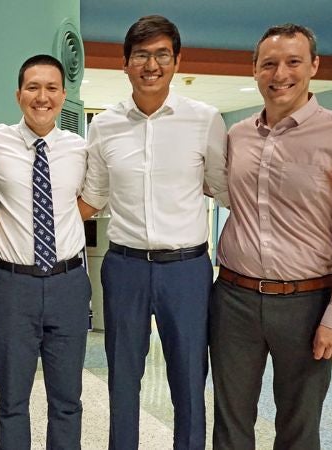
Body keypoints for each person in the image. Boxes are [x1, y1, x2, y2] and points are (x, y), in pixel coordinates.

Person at [210, 24, 332, 450]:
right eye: (268, 63)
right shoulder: (238, 135)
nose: (280, 73)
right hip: (234, 298)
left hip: (307, 303)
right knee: (230, 424)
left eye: (293, 62)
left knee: (299, 428)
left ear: (314, 67)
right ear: (254, 70)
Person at [79, 15, 228, 450]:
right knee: (122, 382)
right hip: (124, 266)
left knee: (189, 381)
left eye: (162, 54)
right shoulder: (104, 125)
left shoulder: (204, 119)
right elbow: (93, 197)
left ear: (177, 61)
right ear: (124, 63)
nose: (151, 64)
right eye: (141, 55)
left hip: (187, 270)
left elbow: (222, 188)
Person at [0, 54, 91, 449]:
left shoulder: (80, 149)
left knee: (67, 400)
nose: (41, 97)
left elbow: (91, 199)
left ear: (63, 95)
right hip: (14, 287)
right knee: (12, 400)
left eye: (51, 88)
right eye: (33, 87)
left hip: (69, 284)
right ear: (18, 95)